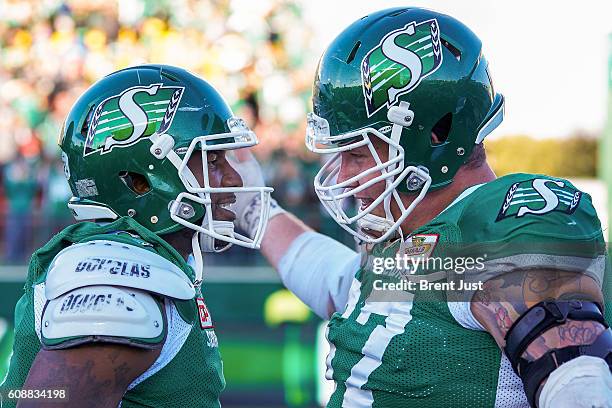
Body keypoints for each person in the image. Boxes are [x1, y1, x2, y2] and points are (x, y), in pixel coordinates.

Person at [232, 8, 612, 408]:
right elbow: (343, 285)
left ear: (436, 136)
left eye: (359, 153)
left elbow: (579, 383)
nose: (344, 174)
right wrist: (254, 209)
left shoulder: (498, 224)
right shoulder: (416, 241)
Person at [0, 64, 272, 407]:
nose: (235, 180)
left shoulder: (149, 261)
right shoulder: (118, 274)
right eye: (212, 161)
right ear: (138, 180)